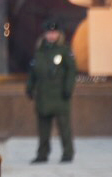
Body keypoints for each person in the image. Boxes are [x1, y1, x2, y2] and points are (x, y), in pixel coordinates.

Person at [28, 20, 76, 164]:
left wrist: (68, 89)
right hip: (43, 95)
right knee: (43, 129)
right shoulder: (40, 51)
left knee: (64, 127)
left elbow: (71, 71)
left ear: (58, 34)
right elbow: (33, 72)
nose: (51, 35)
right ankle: (42, 154)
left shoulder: (64, 50)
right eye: (49, 32)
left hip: (60, 95)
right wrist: (29, 88)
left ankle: (68, 153)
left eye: (54, 32)